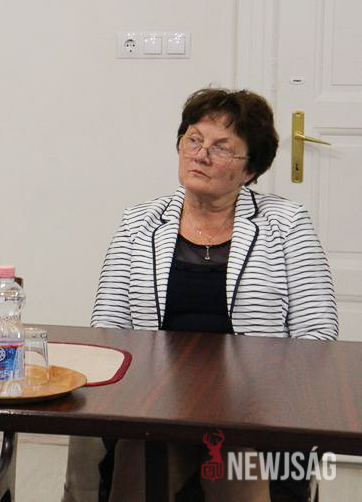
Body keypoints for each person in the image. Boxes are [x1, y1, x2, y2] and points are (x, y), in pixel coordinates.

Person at [63, 88, 337, 502]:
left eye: (221, 147)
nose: (201, 155)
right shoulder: (140, 222)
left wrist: (266, 399)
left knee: (236, 459)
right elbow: (108, 328)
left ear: (250, 169)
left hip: (255, 408)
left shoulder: (286, 224)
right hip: (157, 405)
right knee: (139, 456)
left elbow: (317, 336)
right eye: (193, 139)